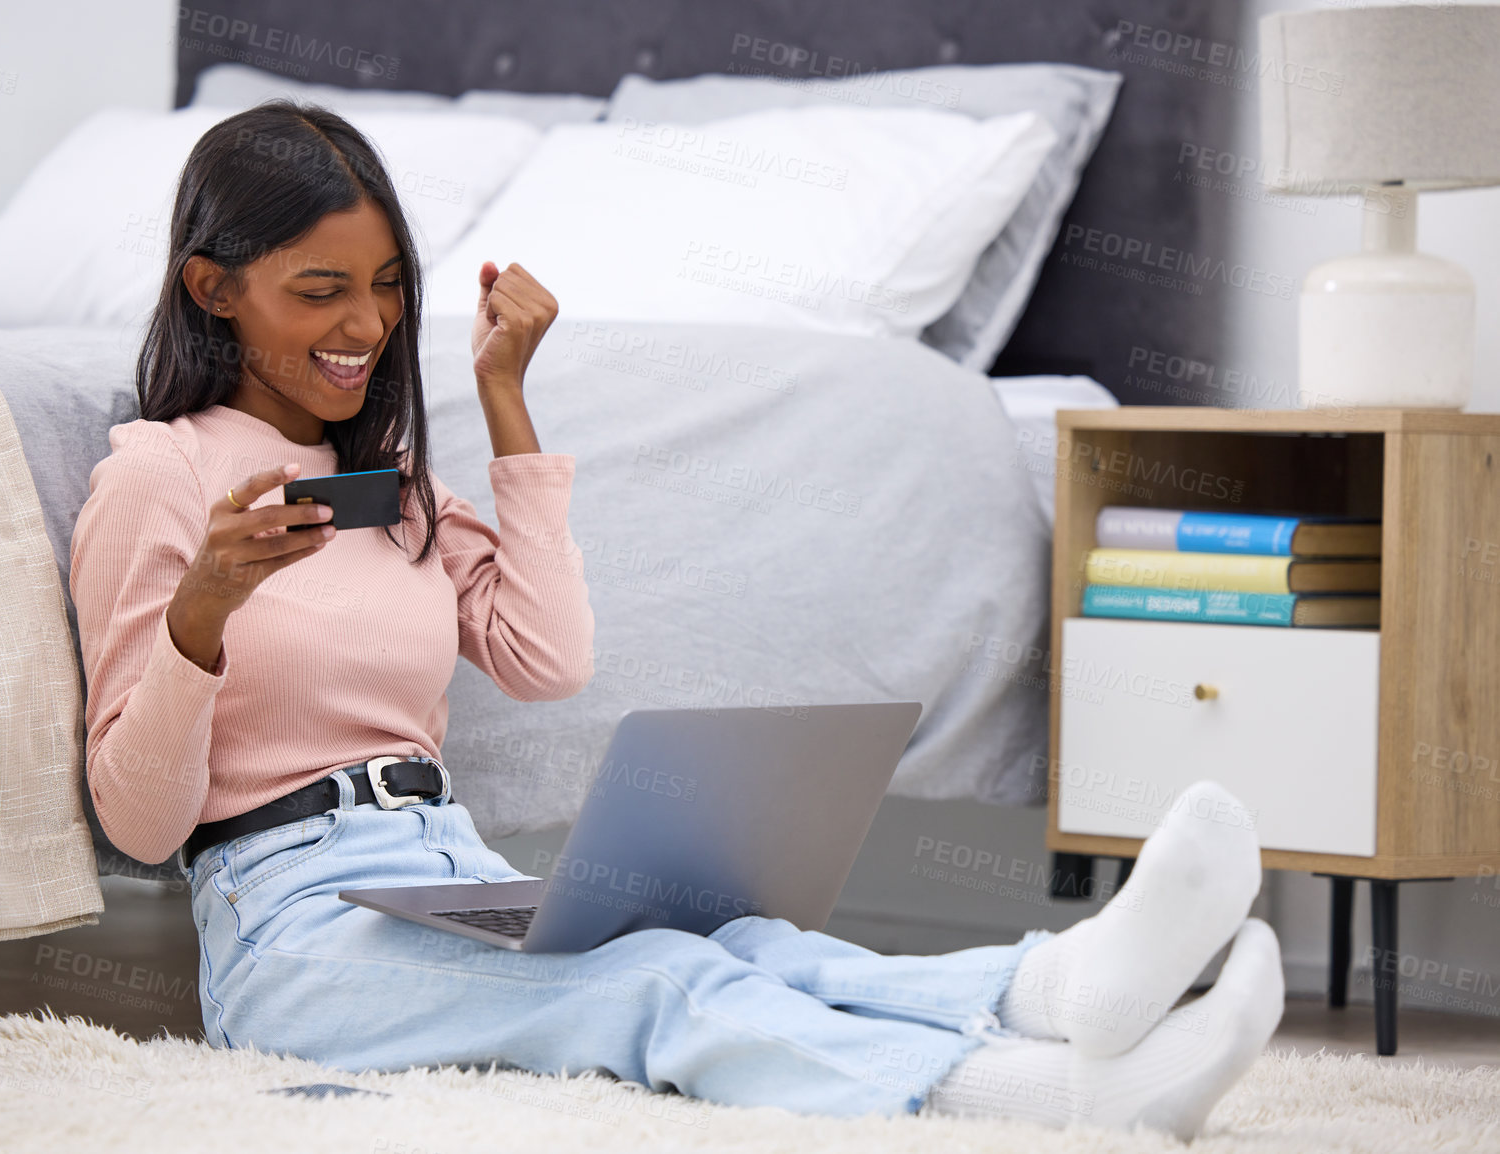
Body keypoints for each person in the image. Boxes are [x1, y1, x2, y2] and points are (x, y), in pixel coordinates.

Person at [69, 101, 1284, 1139]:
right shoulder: (156, 479)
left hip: (445, 868)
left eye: (388, 288)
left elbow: (550, 661)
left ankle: (1062, 982)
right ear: (213, 288)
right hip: (286, 930)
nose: (365, 328)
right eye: (319, 291)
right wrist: (202, 618)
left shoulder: (389, 483)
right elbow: (139, 816)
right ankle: (1039, 1097)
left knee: (739, 936)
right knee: (652, 980)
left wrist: (505, 401)